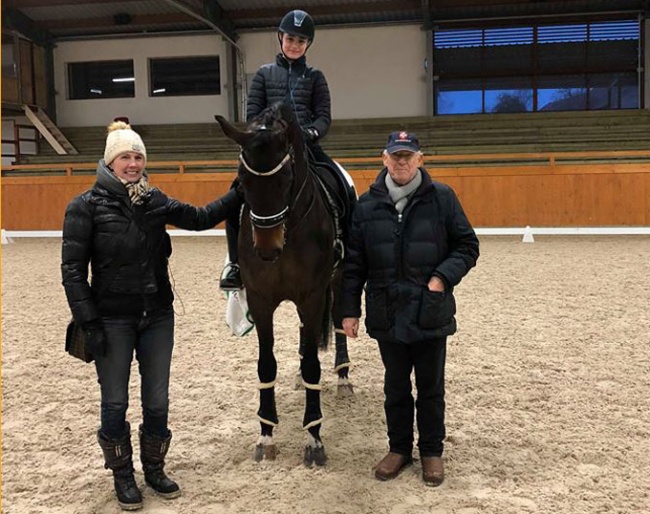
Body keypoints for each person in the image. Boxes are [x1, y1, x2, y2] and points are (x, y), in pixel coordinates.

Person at [61, 121, 239, 510]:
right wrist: (89, 323)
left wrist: (239, 191)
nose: (133, 163)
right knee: (115, 402)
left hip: (158, 315)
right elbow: (72, 271)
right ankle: (123, 475)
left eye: (138, 156)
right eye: (125, 156)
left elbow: (199, 217)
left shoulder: (155, 200)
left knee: (157, 400)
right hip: (111, 320)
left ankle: (154, 468)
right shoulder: (85, 206)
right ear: (110, 161)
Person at [341, 131, 479, 486]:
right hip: (387, 310)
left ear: (420, 159)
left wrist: (440, 279)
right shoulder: (365, 205)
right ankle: (399, 448)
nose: (401, 162)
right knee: (395, 386)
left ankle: (431, 451)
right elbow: (354, 263)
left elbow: (467, 246)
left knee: (431, 386)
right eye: (395, 156)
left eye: (408, 156)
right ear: (384, 159)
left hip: (430, 309)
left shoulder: (443, 198)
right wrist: (349, 310)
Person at [220, 8, 337, 290]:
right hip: (269, 153)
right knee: (234, 198)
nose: (295, 45)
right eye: (290, 39)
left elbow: (323, 116)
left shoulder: (315, 77)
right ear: (280, 38)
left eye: (301, 40)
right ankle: (235, 265)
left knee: (342, 185)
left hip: (306, 149)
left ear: (308, 44)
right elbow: (253, 115)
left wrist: (310, 133)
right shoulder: (263, 75)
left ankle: (341, 247)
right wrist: (267, 136)